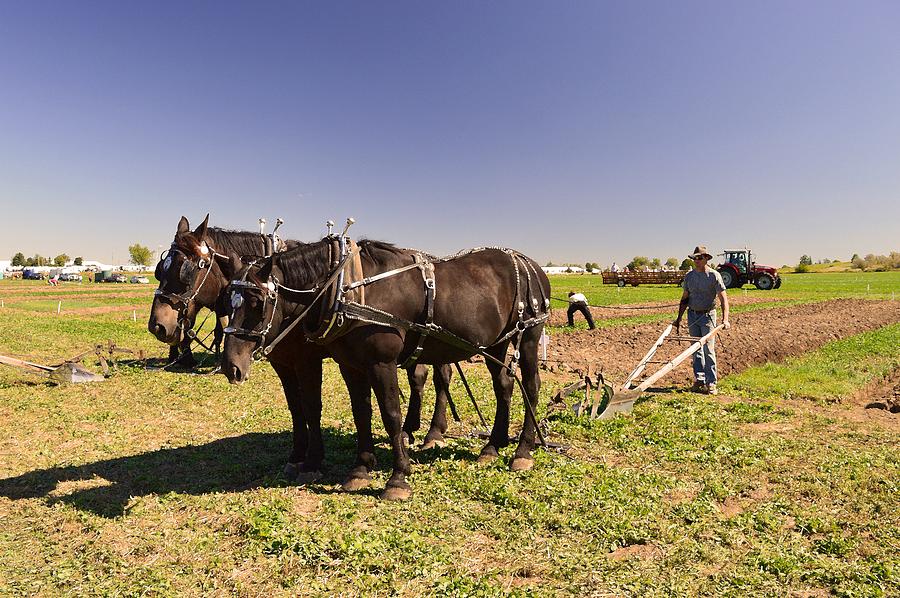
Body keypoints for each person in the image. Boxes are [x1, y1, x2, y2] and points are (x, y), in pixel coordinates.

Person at [673, 245, 731, 395]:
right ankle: (699, 379)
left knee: (708, 349)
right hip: (692, 315)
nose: (696, 261)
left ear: (706, 259)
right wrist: (678, 318)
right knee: (696, 349)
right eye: (694, 258)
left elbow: (723, 298)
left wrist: (725, 319)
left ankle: (711, 382)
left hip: (708, 316)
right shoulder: (689, 277)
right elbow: (685, 298)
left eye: (699, 258)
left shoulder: (714, 276)